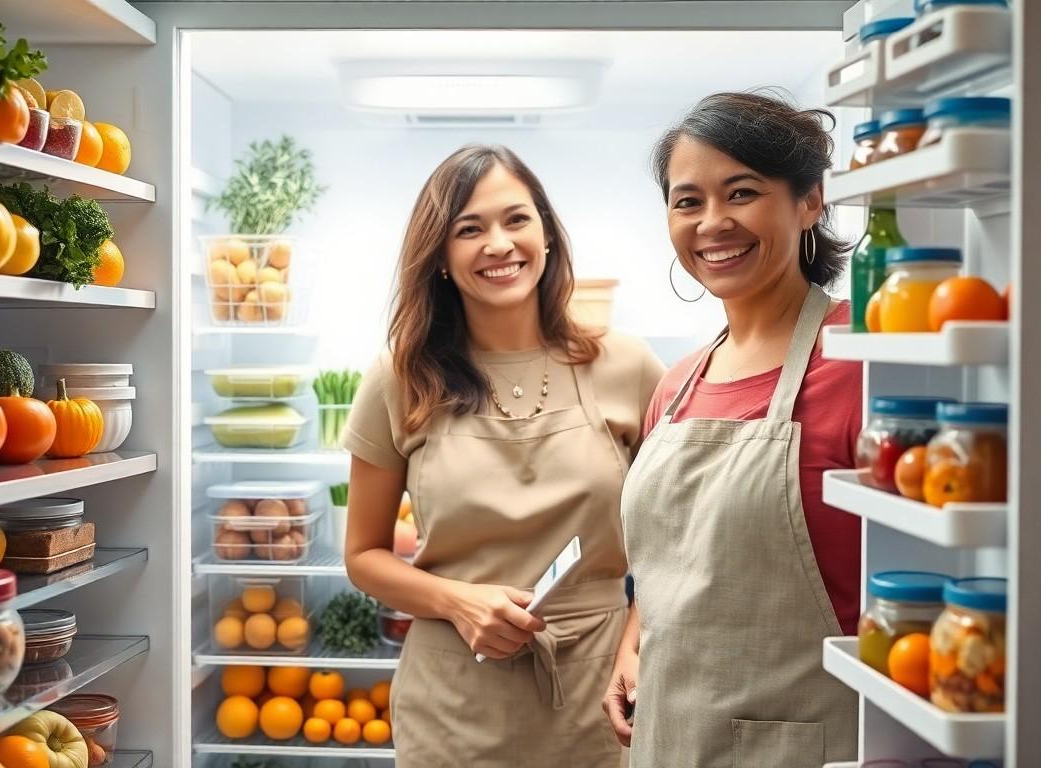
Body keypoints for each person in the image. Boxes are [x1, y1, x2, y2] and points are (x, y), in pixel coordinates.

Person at [344, 144, 665, 766]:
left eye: (516, 219)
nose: (499, 244)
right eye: (470, 229)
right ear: (439, 256)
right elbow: (363, 557)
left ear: (546, 233)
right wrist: (459, 602)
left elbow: (671, 541)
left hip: (600, 692)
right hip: (454, 699)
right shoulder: (399, 377)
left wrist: (636, 644)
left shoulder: (626, 365)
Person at [603, 91, 863, 767]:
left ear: (811, 200)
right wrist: (635, 640)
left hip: (802, 744)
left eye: (741, 193)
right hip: (669, 738)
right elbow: (676, 567)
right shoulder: (677, 385)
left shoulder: (863, 364)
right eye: (688, 201)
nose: (712, 222)